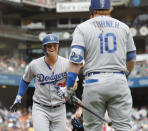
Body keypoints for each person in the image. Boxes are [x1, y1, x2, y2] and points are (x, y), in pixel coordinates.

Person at [65, 0, 136, 130]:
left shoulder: (82, 28)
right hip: (118, 80)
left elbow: (76, 61)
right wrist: (124, 77)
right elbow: (131, 59)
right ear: (110, 9)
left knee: (92, 128)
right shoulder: (124, 27)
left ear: (91, 11)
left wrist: (69, 87)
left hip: (93, 82)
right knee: (124, 127)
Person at [10, 34, 69, 131]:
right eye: (49, 45)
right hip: (41, 108)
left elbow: (74, 83)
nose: (52, 48)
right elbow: (25, 80)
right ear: (44, 47)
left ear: (58, 46)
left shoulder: (66, 63)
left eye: (54, 45)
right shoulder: (35, 64)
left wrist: (67, 89)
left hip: (60, 108)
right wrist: (19, 96)